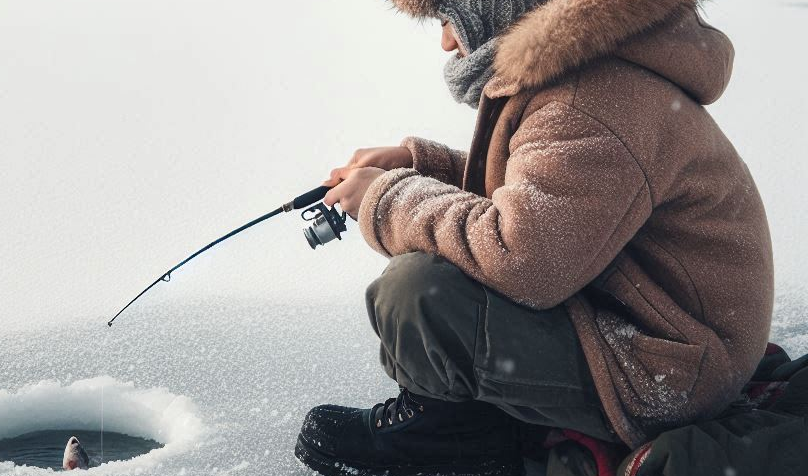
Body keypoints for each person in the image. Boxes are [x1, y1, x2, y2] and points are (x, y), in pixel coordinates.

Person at [294, 0, 774, 475]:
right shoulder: (592, 77)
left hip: (667, 373)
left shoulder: (589, 101)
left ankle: (456, 436)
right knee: (438, 277)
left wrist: (388, 198)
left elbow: (521, 258)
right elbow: (548, 196)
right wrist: (421, 165)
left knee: (420, 292)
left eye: (447, 20)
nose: (445, 42)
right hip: (658, 334)